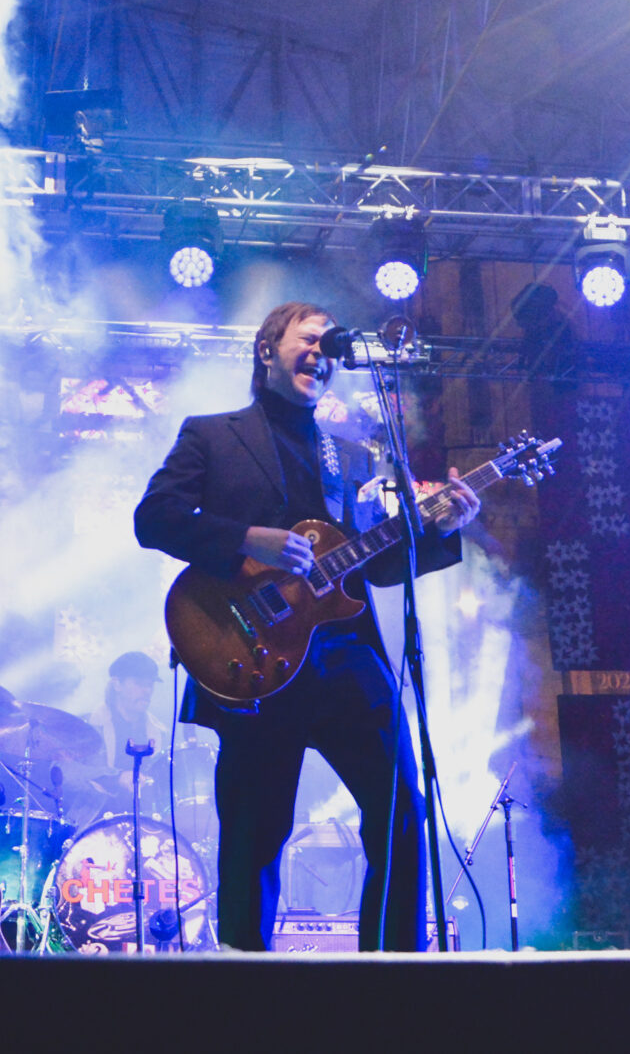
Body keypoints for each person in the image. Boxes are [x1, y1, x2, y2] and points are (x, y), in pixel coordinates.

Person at [134, 301, 481, 951]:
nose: (323, 350)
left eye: (330, 342)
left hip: (349, 660)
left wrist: (438, 533)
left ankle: (394, 980)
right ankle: (246, 995)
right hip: (253, 654)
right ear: (268, 348)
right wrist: (248, 540)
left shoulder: (346, 454)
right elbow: (153, 517)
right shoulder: (212, 434)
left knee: (403, 812)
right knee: (257, 833)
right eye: (310, 337)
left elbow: (368, 571)